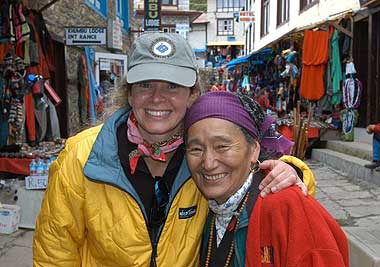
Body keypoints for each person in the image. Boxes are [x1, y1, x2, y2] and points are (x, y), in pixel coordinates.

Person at [33, 33, 313, 267]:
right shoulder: (81, 156)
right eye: (145, 85)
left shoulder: (206, 154)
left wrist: (292, 170)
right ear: (129, 93)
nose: (157, 98)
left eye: (172, 86)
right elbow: (55, 252)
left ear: (192, 94)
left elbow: (266, 168)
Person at [184, 91, 348, 267]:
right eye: (196, 149)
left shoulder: (287, 206)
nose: (208, 163)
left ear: (254, 149)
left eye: (222, 146)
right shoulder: (205, 208)